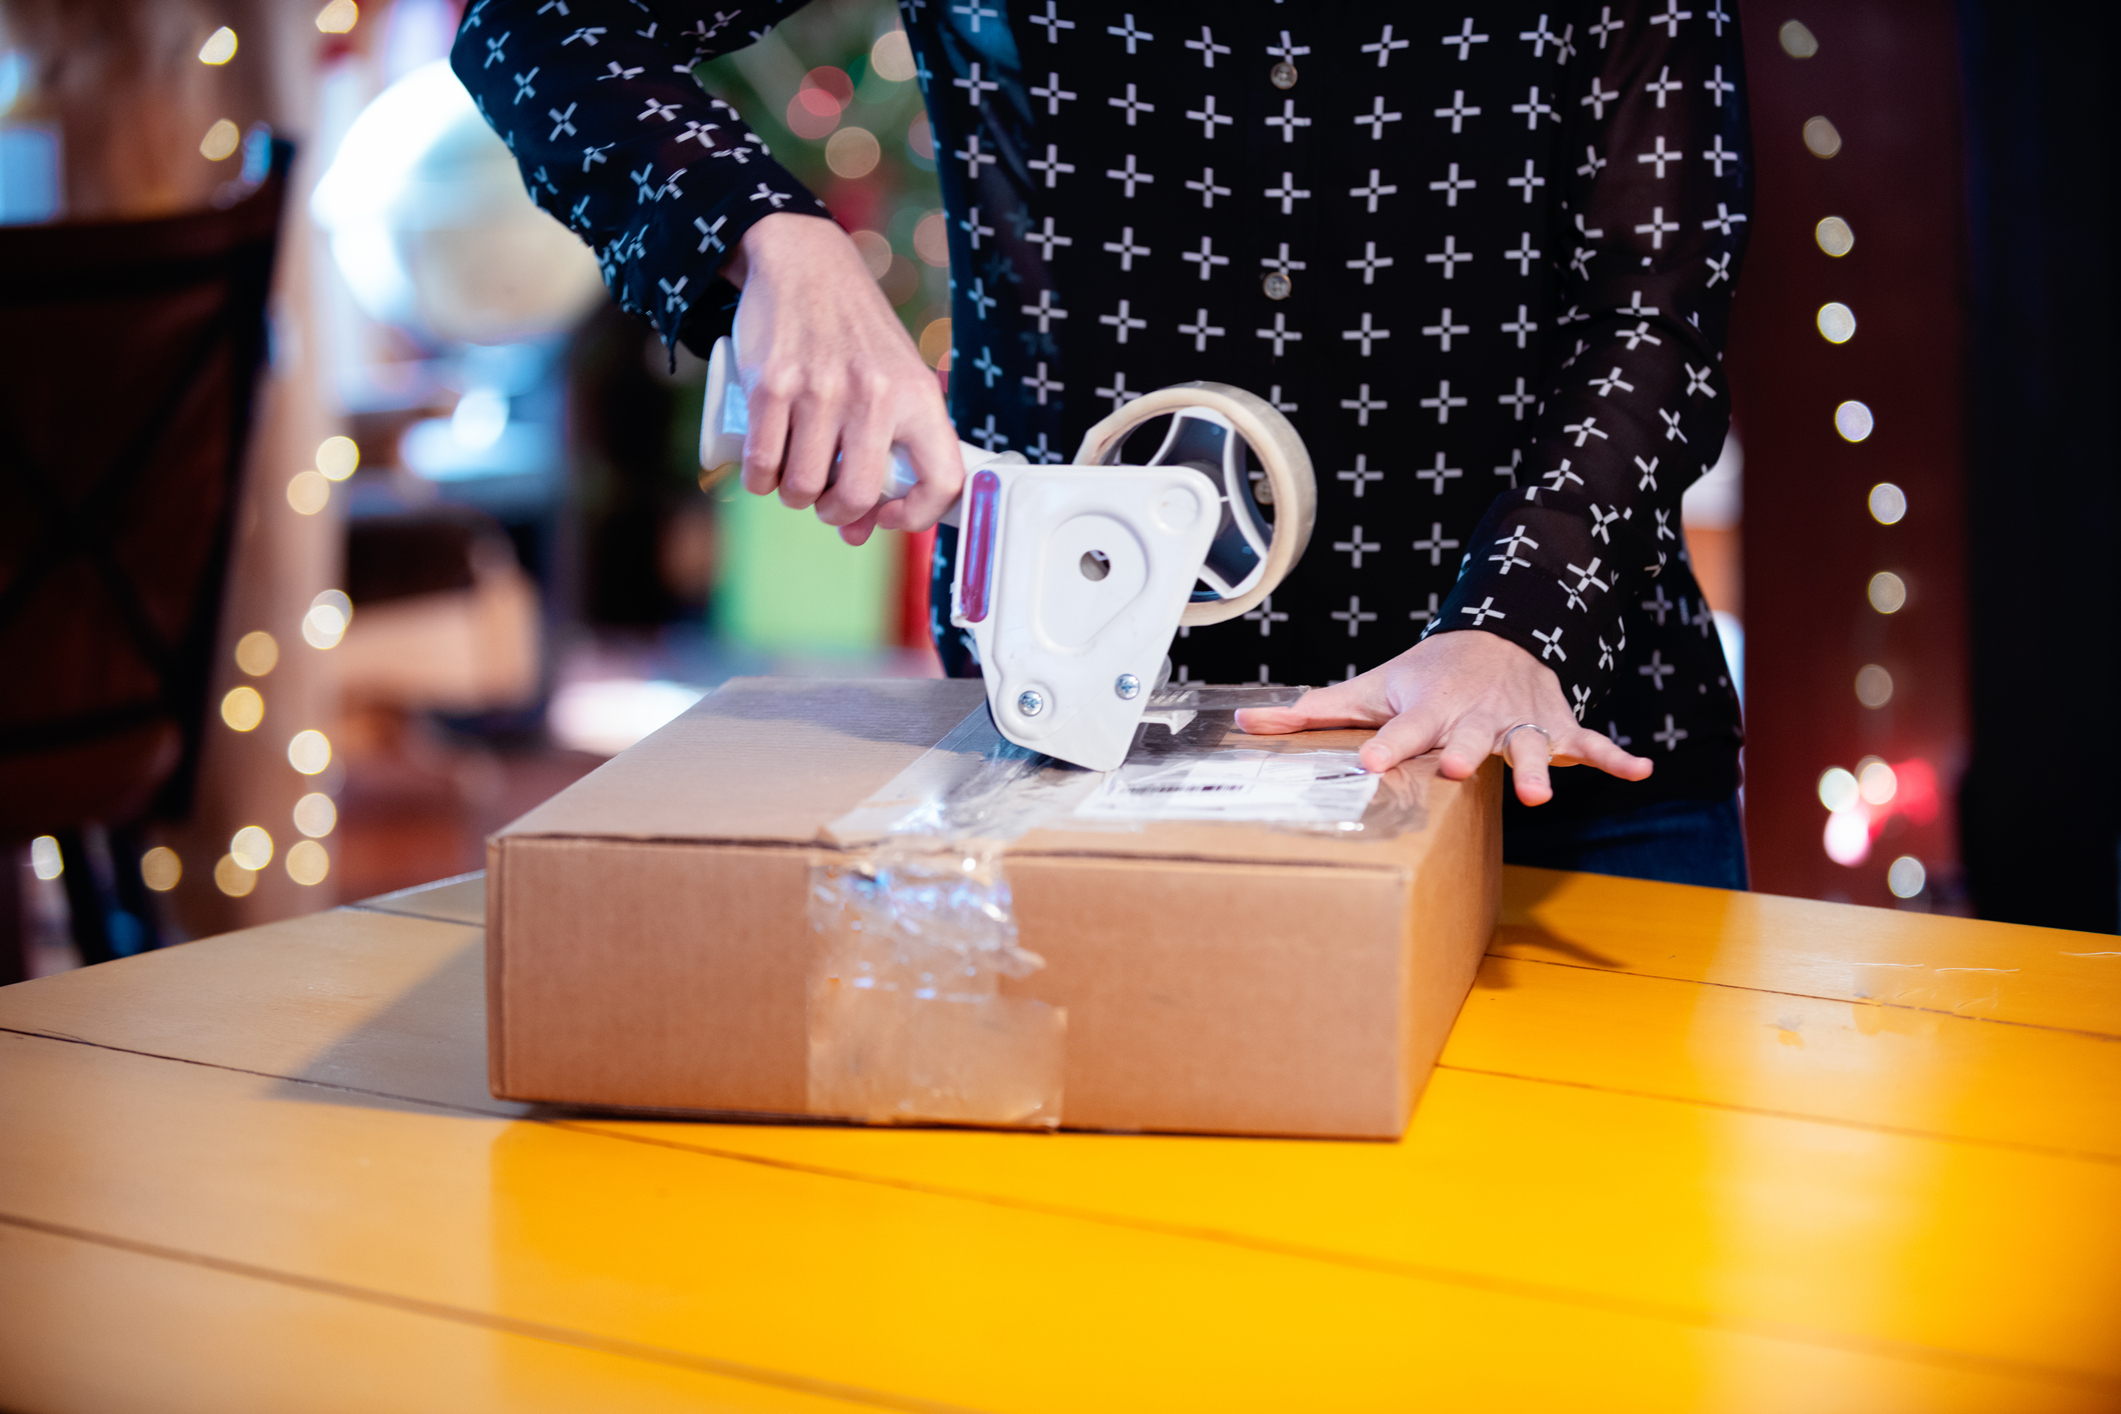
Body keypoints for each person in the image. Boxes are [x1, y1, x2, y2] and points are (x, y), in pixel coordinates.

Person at [453, 0, 1753, 887]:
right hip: (1088, 741)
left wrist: (1512, 623)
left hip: (1551, 772)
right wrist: (765, 238)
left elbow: (1658, 302)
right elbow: (546, 31)